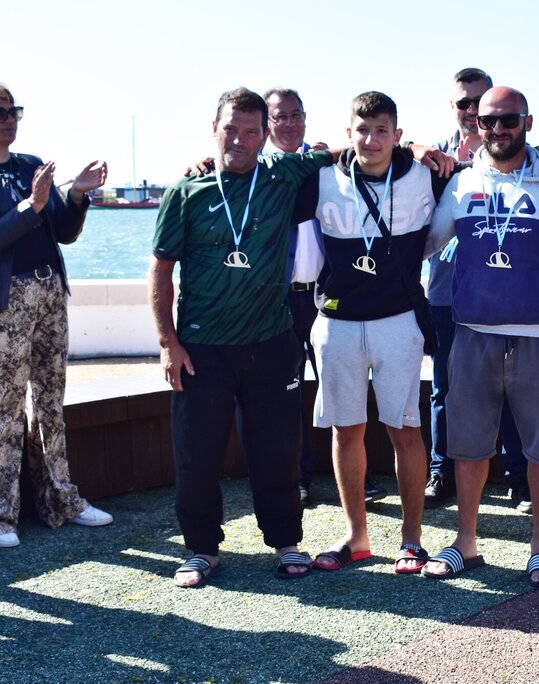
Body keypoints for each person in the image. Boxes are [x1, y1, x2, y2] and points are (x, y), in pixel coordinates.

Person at [150, 87, 335, 586]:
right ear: (214, 129)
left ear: (265, 135)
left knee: (277, 451)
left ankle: (286, 542)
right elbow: (161, 269)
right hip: (202, 348)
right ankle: (202, 550)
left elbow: (353, 151)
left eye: (251, 131)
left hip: (271, 342)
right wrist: (168, 343)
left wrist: (415, 148)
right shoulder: (185, 191)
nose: (239, 139)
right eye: (230, 128)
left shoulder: (282, 175)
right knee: (197, 454)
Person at [420, 86, 539, 585]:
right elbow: (426, 244)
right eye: (487, 122)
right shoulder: (462, 182)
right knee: (468, 446)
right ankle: (465, 543)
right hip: (473, 333)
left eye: (508, 120)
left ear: (528, 122)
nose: (497, 130)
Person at [291, 91, 438, 575]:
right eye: (362, 130)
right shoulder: (322, 178)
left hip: (398, 321)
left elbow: (487, 166)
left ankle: (412, 539)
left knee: (405, 430)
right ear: (348, 133)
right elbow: (266, 181)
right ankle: (356, 537)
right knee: (345, 430)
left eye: (381, 131)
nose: (371, 140)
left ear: (397, 135)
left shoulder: (425, 174)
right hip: (336, 323)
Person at [0, 81, 112, 548]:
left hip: (49, 289)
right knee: (2, 406)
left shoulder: (29, 165)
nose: (9, 120)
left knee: (51, 400)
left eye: (13, 111)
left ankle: (60, 499)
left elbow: (63, 231)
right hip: (3, 302)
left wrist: (76, 195)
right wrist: (30, 206)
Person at [262, 87, 387, 507]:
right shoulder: (259, 170)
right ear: (266, 123)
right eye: (280, 116)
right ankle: (297, 478)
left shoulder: (324, 164)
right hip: (277, 300)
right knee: (286, 393)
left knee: (342, 388)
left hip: (325, 298)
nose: (289, 123)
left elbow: (374, 151)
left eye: (296, 115)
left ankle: (358, 479)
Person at [425, 68, 531, 513]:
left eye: (479, 103)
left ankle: (519, 479)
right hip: (446, 294)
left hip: (501, 295)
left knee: (510, 387)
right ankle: (441, 473)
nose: (472, 111)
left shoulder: (519, 155)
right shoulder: (429, 158)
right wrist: (413, 149)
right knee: (445, 388)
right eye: (463, 103)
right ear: (452, 107)